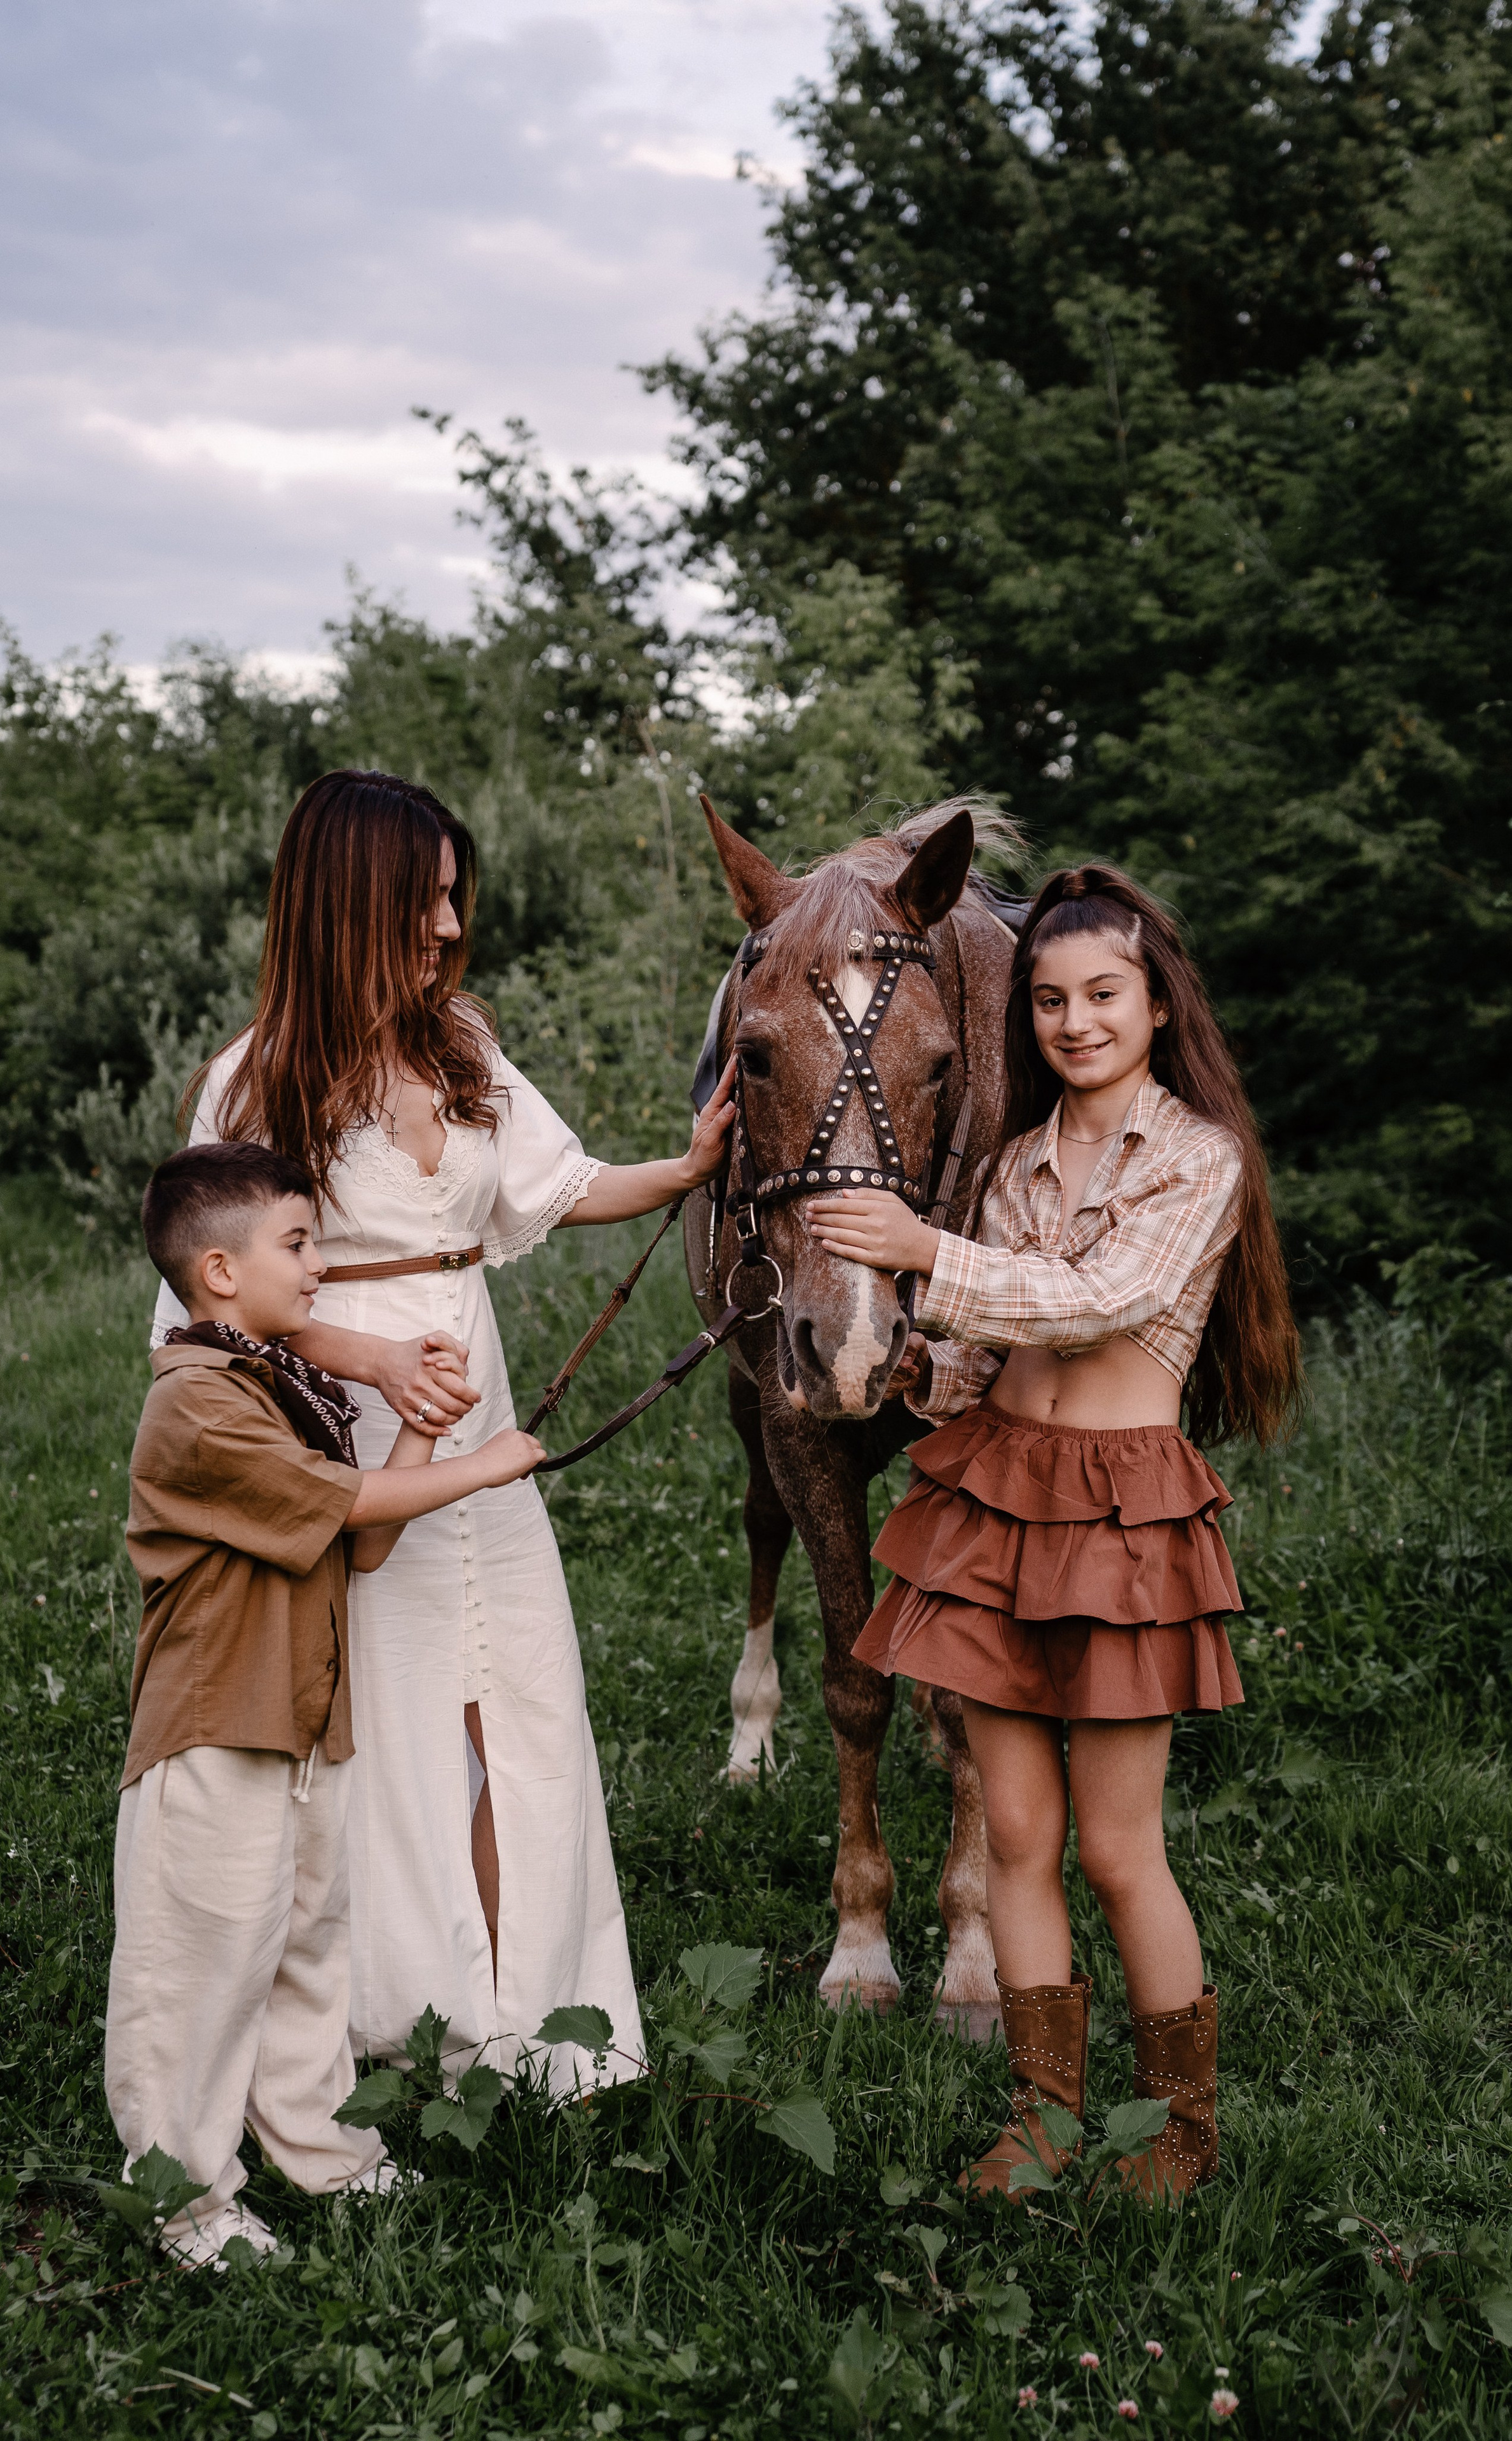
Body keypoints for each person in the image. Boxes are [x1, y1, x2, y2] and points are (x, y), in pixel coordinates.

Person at [153, 769, 735, 2095]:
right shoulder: (255, 1082)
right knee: (393, 1723)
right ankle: (399, 2024)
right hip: (346, 1435)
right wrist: (358, 1353)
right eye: (423, 899)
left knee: (520, 1703)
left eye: (454, 897)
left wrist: (690, 1168)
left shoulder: (458, 1042)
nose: (446, 923)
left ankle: (542, 2029)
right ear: (347, 899)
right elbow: (200, 1304)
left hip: (478, 1417)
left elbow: (560, 1182)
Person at [808, 865, 1300, 2202]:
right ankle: (1041, 2114)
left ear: (1153, 1005)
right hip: (995, 1494)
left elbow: (1098, 1299)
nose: (1073, 1022)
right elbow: (979, 1357)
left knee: (1112, 1845)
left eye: (1100, 995)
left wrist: (920, 1251)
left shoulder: (1199, 1159)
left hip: (1119, 1511)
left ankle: (1176, 2128)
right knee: (1015, 1835)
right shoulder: (1016, 1162)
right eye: (1046, 1001)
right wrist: (887, 1367)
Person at [109, 1141, 546, 2266]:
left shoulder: (273, 1384)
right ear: (217, 1271)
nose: (319, 1269)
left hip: (305, 1719)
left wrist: (425, 1431)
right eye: (299, 1245)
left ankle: (323, 2153)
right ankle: (185, 2200)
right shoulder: (197, 1406)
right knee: (199, 1969)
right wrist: (487, 1463)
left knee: (305, 1951)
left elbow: (366, 1541)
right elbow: (346, 1505)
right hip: (217, 1724)